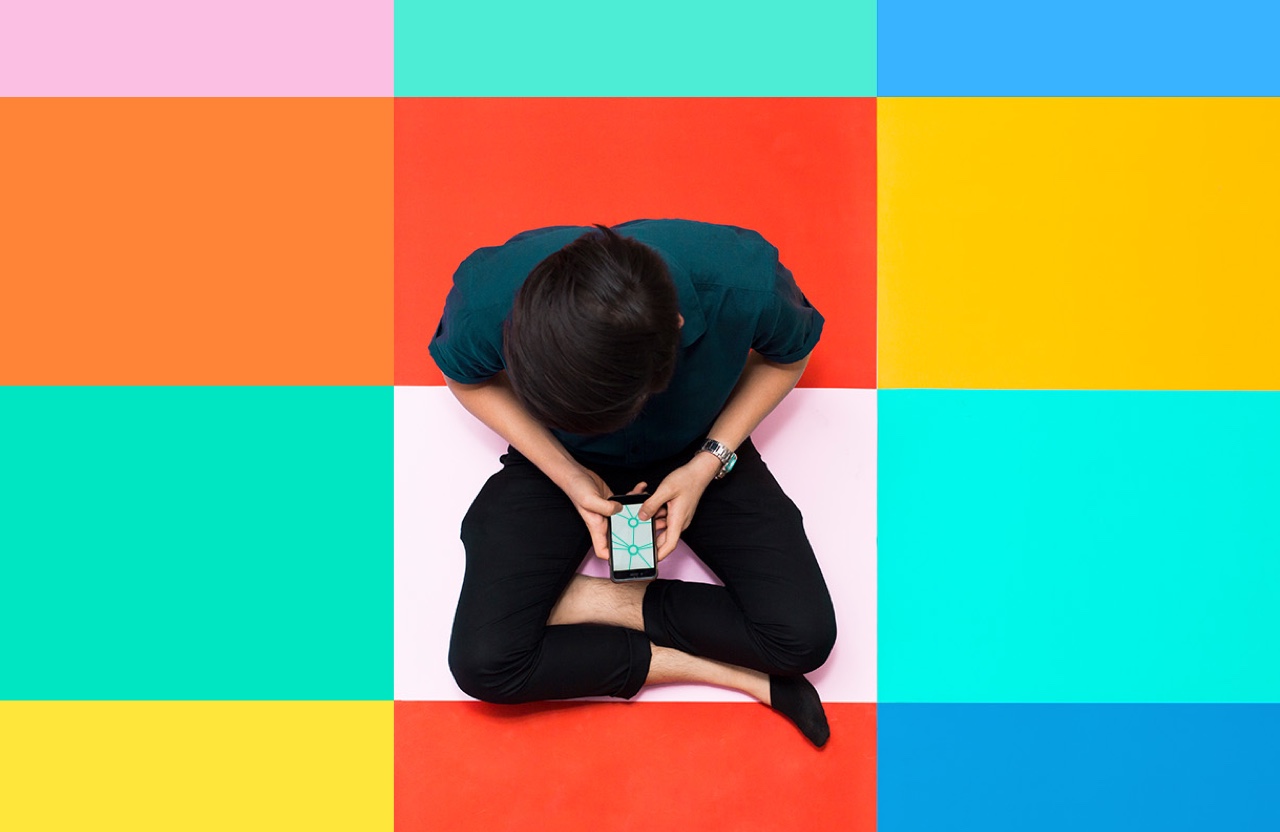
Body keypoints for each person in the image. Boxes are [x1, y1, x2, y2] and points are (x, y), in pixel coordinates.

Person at [429, 219, 837, 746]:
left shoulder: (744, 280)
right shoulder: (488, 297)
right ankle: (739, 677)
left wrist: (707, 462)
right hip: (557, 454)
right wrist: (567, 471)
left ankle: (573, 601)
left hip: (698, 444)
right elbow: (464, 376)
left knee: (802, 639)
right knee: (485, 665)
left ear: (677, 325)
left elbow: (791, 354)